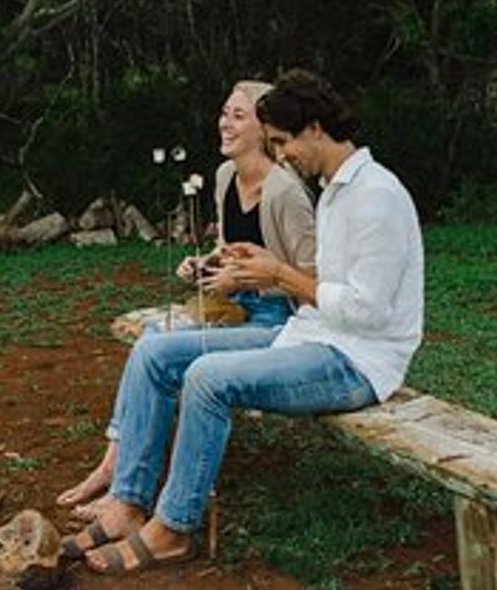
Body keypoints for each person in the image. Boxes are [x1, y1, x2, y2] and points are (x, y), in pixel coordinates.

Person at [67, 69, 424, 573]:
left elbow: (370, 312)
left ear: (315, 128)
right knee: (156, 353)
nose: (282, 156)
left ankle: (172, 528)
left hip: (359, 362)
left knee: (208, 380)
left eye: (283, 142)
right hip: (313, 337)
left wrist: (277, 274)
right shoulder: (338, 190)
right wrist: (258, 260)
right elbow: (323, 285)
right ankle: (128, 503)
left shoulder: (377, 196)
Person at [55, 79, 317, 515]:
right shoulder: (225, 176)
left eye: (238, 116)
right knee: (153, 338)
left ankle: (125, 486)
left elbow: (311, 283)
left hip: (277, 320)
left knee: (156, 349)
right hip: (232, 307)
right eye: (223, 113)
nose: (224, 123)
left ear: (264, 129)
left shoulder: (286, 193)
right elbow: (234, 248)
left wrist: (247, 282)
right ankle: (116, 469)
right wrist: (207, 263)